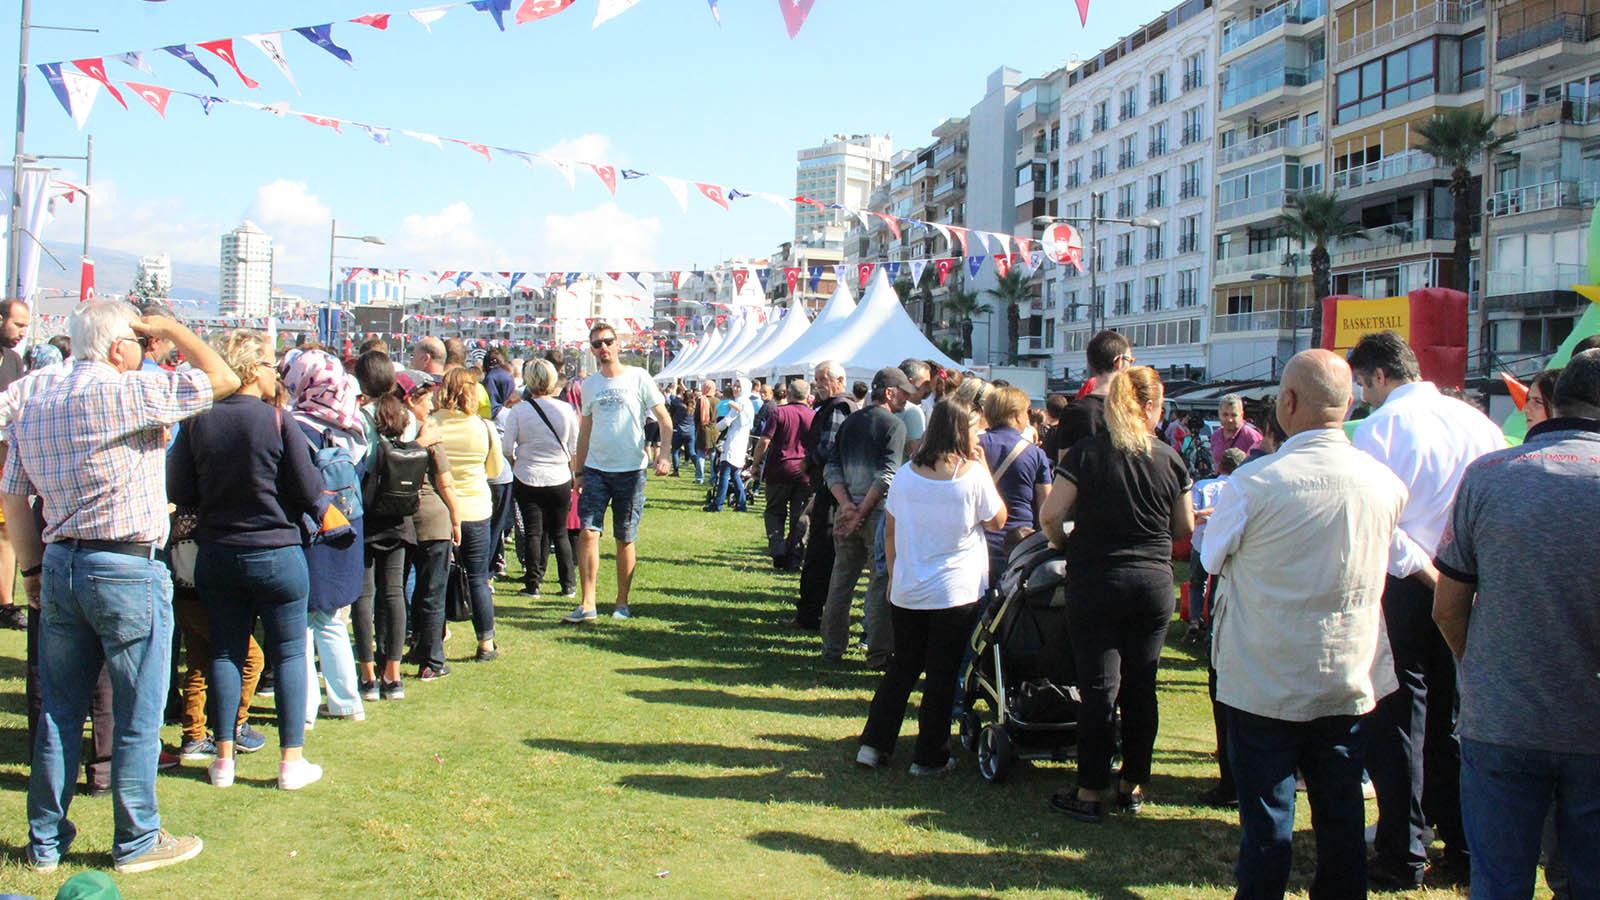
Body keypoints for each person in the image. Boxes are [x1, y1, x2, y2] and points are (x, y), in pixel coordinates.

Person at [4, 300, 235, 873]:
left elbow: (13, 496)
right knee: (138, 710)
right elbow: (225, 377)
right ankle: (136, 839)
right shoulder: (127, 393)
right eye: (138, 341)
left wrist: (31, 570)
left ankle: (45, 841)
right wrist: (174, 328)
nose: (144, 351)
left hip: (60, 563)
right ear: (117, 348)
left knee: (59, 708)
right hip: (126, 566)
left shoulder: (34, 399)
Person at [1201, 350, 1407, 898]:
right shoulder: (1383, 482)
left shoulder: (1256, 483)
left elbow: (1211, 557)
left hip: (1266, 674)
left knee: (1267, 821)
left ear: (1287, 404)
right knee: (1339, 814)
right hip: (1345, 672)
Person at [1432, 350, 1600, 898]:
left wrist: (1484, 666)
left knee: (1499, 883)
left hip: (1501, 719)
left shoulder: (1488, 476)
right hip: (1588, 727)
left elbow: (1448, 607)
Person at [1348, 330, 1505, 887]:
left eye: (1364, 386)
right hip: (1468, 580)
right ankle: (1461, 842)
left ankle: (1403, 850)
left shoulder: (1381, 427)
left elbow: (1376, 521)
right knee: (1454, 717)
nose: (1364, 396)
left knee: (1399, 720)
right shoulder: (1479, 424)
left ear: (1380, 377)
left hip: (1411, 584)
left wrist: (1428, 572)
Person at [168, 330, 325, 791]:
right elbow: (310, 490)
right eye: (271, 364)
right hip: (276, 550)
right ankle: (290, 761)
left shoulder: (198, 421)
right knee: (290, 651)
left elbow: (179, 491)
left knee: (224, 650)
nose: (276, 371)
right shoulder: (277, 421)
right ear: (252, 368)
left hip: (218, 551)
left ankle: (222, 759)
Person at [1038, 366, 1194, 824]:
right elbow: (1183, 527)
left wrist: (1062, 542)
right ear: (1150, 408)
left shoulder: (1086, 455)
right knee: (1142, 686)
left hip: (1097, 578)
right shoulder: (1170, 459)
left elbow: (1051, 514)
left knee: (1099, 687)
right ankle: (1133, 784)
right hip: (1150, 580)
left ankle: (1089, 790)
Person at [856, 400, 1005, 775]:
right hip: (954, 590)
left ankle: (874, 745)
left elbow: (889, 530)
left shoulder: (907, 474)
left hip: (909, 586)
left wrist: (892, 575)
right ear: (961, 431)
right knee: (941, 673)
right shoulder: (972, 475)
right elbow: (997, 520)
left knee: (902, 668)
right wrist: (985, 469)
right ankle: (929, 755)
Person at [565, 322, 671, 623]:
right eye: (597, 344)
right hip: (596, 469)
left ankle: (622, 603)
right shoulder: (590, 385)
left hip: (631, 471)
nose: (603, 348)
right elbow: (584, 430)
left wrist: (663, 456)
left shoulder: (639, 377)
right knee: (588, 531)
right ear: (592, 349)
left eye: (607, 342)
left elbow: (665, 421)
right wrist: (579, 470)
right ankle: (587, 603)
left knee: (625, 537)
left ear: (618, 344)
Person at [285, 350, 370, 723]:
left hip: (310, 526)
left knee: (301, 624)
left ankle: (302, 708)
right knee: (333, 619)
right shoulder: (354, 424)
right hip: (347, 525)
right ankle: (347, 700)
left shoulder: (294, 424)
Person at [821, 367, 911, 668]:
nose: (906, 399)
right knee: (878, 583)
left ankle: (832, 647)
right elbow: (888, 475)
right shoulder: (895, 426)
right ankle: (878, 652)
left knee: (841, 581)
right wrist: (860, 510)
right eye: (903, 392)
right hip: (877, 514)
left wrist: (846, 505)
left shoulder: (850, 422)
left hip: (846, 512)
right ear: (889, 392)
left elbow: (831, 468)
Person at [432, 367, 503, 660]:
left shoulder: (431, 424)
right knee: (477, 578)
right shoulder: (483, 427)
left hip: (439, 509)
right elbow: (495, 470)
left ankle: (434, 637)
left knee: (435, 578)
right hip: (475, 507)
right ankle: (485, 642)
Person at [396, 370, 461, 682]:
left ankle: (400, 652)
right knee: (432, 592)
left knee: (396, 591)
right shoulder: (427, 432)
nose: (433, 405)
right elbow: (445, 483)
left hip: (397, 519)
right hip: (432, 519)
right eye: (428, 400)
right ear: (412, 400)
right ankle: (432, 661)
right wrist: (456, 518)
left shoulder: (386, 430)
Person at [1192, 447, 1247, 808]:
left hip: (1243, 607)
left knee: (1226, 689)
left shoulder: (1251, 488)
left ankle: (1232, 782)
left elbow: (1212, 556)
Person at [506, 359, 578, 598]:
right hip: (559, 475)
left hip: (528, 475)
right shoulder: (566, 409)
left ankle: (533, 584)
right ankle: (568, 584)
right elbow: (574, 446)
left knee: (533, 532)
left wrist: (517, 463)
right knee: (560, 531)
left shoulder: (518, 410)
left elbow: (507, 448)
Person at [794, 361, 855, 631]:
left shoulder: (839, 407)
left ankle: (811, 614)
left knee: (820, 552)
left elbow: (829, 447)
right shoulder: (834, 406)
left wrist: (808, 461)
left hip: (831, 491)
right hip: (829, 488)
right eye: (816, 379)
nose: (818, 384)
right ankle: (811, 612)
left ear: (839, 380)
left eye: (822, 379)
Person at [976, 386, 1052, 583]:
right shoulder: (1035, 453)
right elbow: (1046, 506)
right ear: (1017, 416)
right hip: (1018, 542)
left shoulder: (974, 445)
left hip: (977, 540)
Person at [751, 379, 815, 570]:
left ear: (788, 394)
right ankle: (795, 557)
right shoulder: (814, 416)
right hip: (805, 472)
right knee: (801, 516)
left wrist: (755, 464)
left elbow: (764, 441)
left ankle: (778, 547)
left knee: (774, 512)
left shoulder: (779, 412)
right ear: (808, 396)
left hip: (778, 470)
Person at [0, 296, 31, 631]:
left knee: (7, 531)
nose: (24, 331)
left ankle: (5, 603)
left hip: (4, 460)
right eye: (18, 323)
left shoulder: (13, 361)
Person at [1054, 330, 1134, 452]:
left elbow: (1064, 463)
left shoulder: (1074, 411)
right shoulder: (1131, 409)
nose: (1131, 366)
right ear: (1119, 361)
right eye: (1130, 360)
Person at [706, 377, 754, 513]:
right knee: (734, 473)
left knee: (724, 472)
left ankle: (718, 504)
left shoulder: (739, 402)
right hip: (741, 440)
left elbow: (727, 421)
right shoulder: (747, 402)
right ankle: (741, 503)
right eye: (735, 385)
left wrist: (715, 426)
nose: (735, 388)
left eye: (739, 386)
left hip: (734, 440)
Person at [1210, 394, 1262, 471]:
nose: (1229, 419)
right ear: (1219, 414)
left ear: (1241, 415)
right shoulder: (1215, 436)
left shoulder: (1252, 437)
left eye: (1234, 415)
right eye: (1225, 415)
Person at [897, 359, 931, 456]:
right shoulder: (913, 411)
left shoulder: (874, 401)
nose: (929, 389)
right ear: (910, 382)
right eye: (925, 384)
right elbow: (915, 453)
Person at [667, 383, 692, 477]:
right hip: (690, 432)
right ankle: (698, 471)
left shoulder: (679, 406)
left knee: (675, 451)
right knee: (692, 452)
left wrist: (675, 386)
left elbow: (672, 398)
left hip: (678, 431)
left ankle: (676, 471)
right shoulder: (693, 406)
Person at [482, 347, 515, 417]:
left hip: (498, 414)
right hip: (511, 411)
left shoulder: (490, 377)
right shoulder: (508, 373)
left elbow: (491, 403)